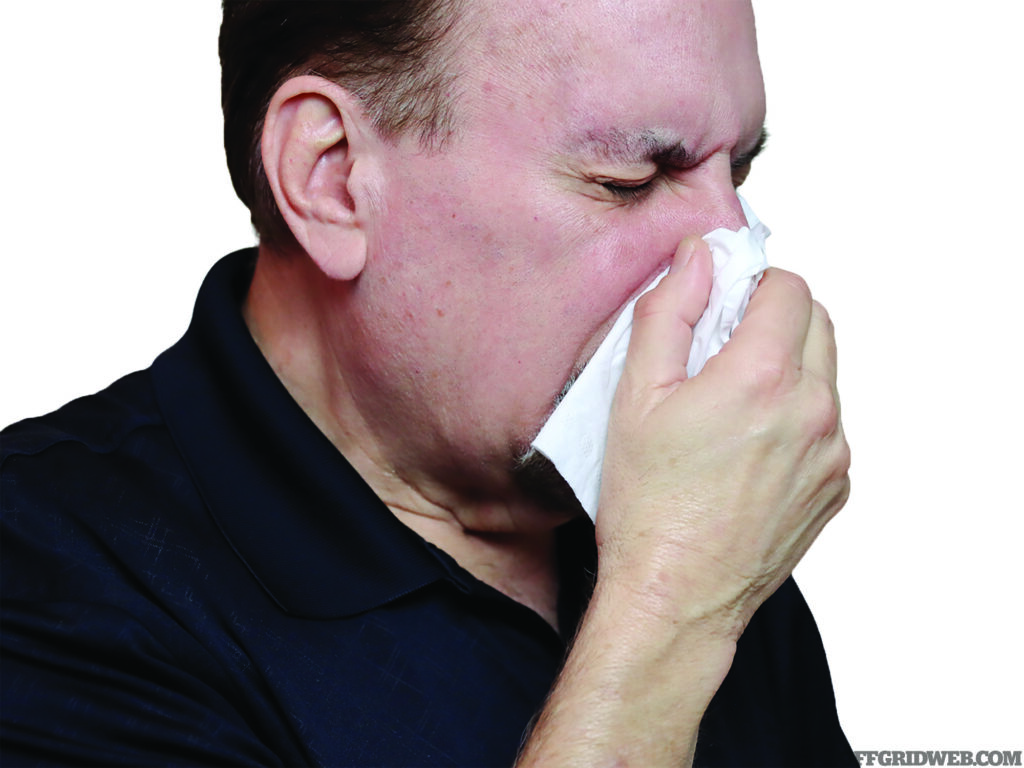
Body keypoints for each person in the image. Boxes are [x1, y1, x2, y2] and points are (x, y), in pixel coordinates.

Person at [0, 0, 854, 765]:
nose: (731, 253)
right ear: (333, 177)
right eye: (628, 181)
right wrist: (669, 610)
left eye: (735, 173)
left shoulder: (695, 499)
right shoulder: (45, 580)